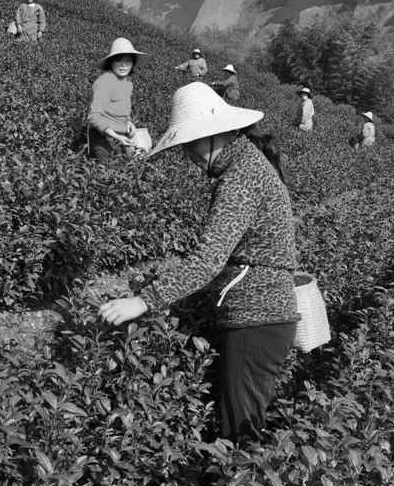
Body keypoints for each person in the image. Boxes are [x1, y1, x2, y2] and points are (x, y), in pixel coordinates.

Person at [98, 82, 298, 442]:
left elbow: (208, 260)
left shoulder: (241, 177)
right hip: (263, 315)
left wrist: (143, 301)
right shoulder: (245, 164)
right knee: (242, 420)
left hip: (259, 318)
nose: (187, 153)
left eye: (190, 143)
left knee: (239, 432)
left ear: (214, 135)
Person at [86, 38, 150, 161]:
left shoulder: (128, 82)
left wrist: (129, 121)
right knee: (106, 171)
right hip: (102, 134)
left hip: (121, 135)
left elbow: (122, 107)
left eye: (128, 61)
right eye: (119, 61)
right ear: (111, 62)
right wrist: (117, 137)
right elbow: (94, 116)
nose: (124, 65)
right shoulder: (105, 82)